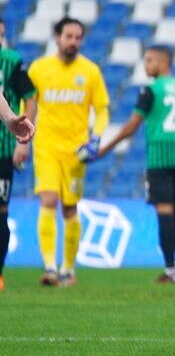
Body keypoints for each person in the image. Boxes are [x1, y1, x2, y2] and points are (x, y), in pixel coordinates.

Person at [96, 45, 175, 284]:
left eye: (149, 61)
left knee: (164, 211)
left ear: (162, 62)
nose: (146, 65)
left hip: (160, 158)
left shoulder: (151, 90)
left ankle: (169, 270)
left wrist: (105, 148)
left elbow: (132, 126)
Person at [25, 17, 109, 287]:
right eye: (69, 36)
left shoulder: (91, 71)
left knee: (70, 208)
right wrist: (22, 140)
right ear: (57, 37)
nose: (73, 42)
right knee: (48, 200)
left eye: (78, 37)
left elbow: (102, 109)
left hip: (76, 151)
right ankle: (49, 267)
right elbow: (29, 105)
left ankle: (68, 270)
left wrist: (95, 138)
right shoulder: (39, 69)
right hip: (46, 146)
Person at [0, 19, 37, 291]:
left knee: (1, 214)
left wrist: (11, 118)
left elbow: (30, 96)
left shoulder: (12, 61)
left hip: (2, 149)